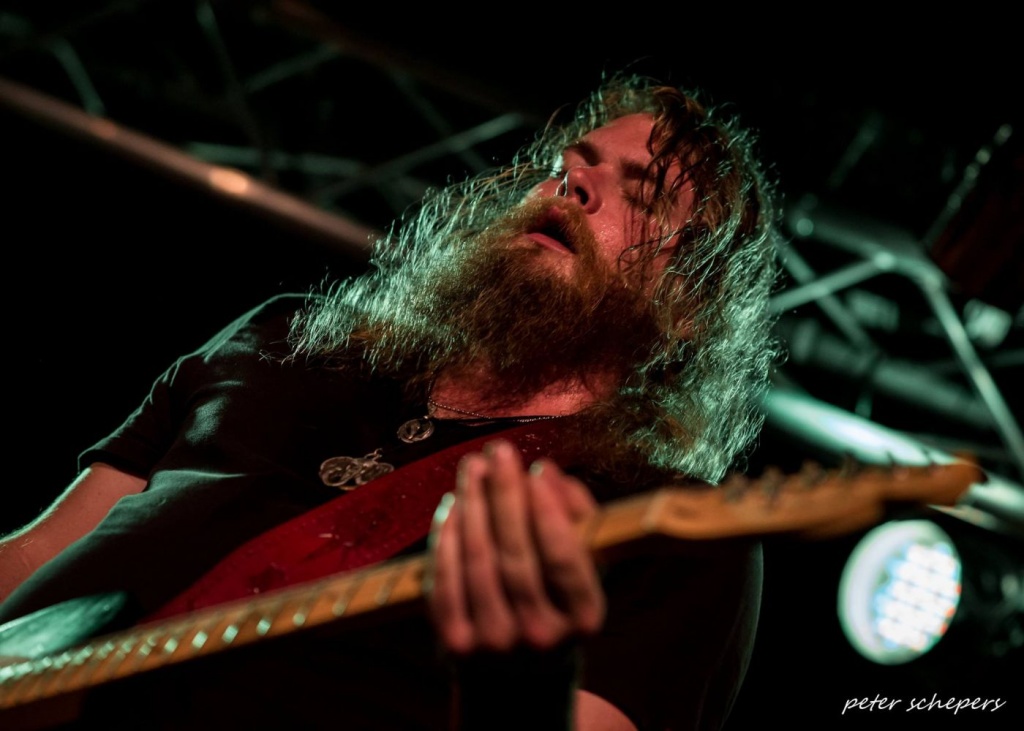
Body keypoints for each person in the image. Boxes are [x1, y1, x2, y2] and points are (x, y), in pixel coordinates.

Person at [0, 74, 780, 730]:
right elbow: (40, 554)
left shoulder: (675, 534)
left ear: (691, 304)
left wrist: (515, 685)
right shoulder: (287, 337)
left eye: (639, 194)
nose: (571, 185)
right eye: (565, 164)